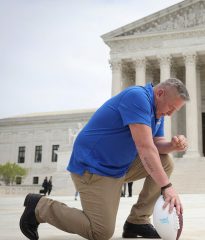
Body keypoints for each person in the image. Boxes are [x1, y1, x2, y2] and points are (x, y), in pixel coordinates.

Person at [20, 78, 189, 240]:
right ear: (160, 93)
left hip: (118, 166)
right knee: (100, 232)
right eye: (171, 107)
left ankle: (137, 221)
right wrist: (166, 186)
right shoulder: (137, 97)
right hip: (93, 167)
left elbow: (157, 144)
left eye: (175, 110)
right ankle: (40, 207)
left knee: (166, 161)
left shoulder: (157, 112)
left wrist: (172, 146)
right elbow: (145, 147)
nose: (170, 114)